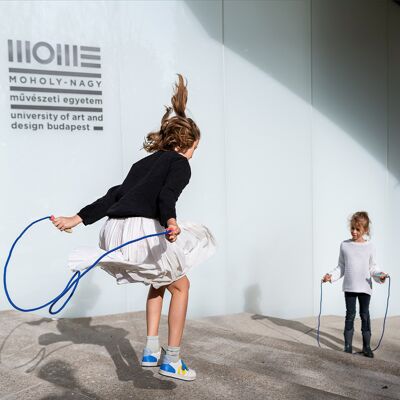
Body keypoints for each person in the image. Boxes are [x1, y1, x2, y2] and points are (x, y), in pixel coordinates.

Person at [51, 74, 216, 381]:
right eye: (195, 147)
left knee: (160, 280)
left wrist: (77, 218)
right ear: (184, 144)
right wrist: (170, 220)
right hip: (142, 229)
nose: (195, 153)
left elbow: (114, 194)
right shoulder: (180, 164)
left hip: (114, 229)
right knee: (182, 286)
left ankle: (151, 350)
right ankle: (172, 360)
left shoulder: (143, 163)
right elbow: (167, 196)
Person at [322, 211, 387, 358]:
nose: (354, 231)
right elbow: (341, 267)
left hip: (365, 287)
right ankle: (348, 346)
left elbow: (373, 268)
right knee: (350, 315)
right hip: (350, 287)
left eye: (358, 229)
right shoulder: (344, 245)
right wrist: (330, 276)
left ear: (365, 230)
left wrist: (380, 276)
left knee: (365, 315)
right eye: (352, 228)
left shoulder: (370, 247)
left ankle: (367, 347)